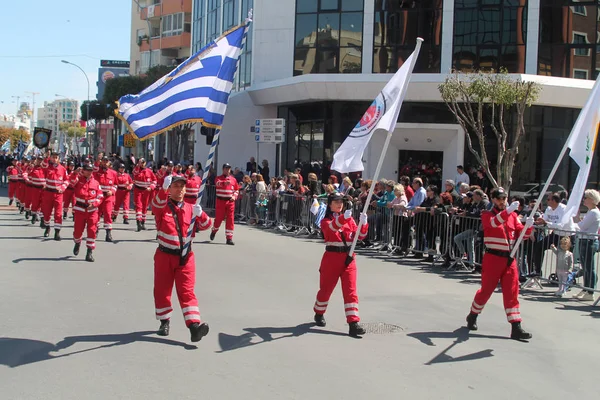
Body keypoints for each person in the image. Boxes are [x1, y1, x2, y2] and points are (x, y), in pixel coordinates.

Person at [466, 188, 535, 341]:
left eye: (504, 198)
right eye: (499, 198)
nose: (502, 201)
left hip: (509, 259)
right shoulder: (486, 214)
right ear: (493, 199)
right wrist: (508, 212)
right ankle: (473, 315)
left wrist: (529, 226)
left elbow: (523, 236)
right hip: (493, 258)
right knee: (486, 291)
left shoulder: (513, 216)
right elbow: (494, 223)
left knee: (512, 292)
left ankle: (516, 327)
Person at [151, 175, 210, 342]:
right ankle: (164, 322)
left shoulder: (191, 208)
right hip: (165, 255)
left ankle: (194, 327)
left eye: (182, 187)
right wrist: (162, 190)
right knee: (162, 290)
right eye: (176, 186)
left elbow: (206, 226)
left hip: (185, 257)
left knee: (187, 292)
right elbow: (154, 206)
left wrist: (202, 214)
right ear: (170, 189)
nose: (180, 190)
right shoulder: (163, 207)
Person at [313, 192, 369, 337]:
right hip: (331, 258)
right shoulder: (325, 221)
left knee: (350, 291)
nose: (339, 204)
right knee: (325, 290)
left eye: (341, 202)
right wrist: (345, 218)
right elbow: (331, 229)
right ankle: (319, 312)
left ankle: (353, 323)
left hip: (348, 257)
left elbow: (359, 236)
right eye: (336, 201)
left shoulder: (349, 220)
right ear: (330, 204)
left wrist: (364, 224)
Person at [71, 163, 103, 262]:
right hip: (80, 210)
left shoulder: (96, 183)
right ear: (83, 170)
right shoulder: (78, 180)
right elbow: (70, 182)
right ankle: (77, 242)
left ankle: (89, 252)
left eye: (90, 170)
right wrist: (74, 173)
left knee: (92, 231)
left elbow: (100, 196)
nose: (89, 172)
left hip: (92, 211)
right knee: (77, 231)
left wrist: (94, 204)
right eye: (87, 170)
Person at [573, 189, 600, 301]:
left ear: (592, 200)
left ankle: (590, 291)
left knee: (589, 267)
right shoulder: (590, 211)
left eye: (586, 197)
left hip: (589, 241)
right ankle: (586, 288)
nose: (584, 200)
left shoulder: (594, 212)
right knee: (585, 267)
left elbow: (582, 226)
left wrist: (575, 223)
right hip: (585, 240)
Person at [41, 152, 69, 240]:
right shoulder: (47, 167)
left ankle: (57, 232)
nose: (54, 159)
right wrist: (46, 157)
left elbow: (67, 180)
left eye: (56, 157)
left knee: (58, 214)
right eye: (53, 157)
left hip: (58, 194)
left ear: (59, 159)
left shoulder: (63, 169)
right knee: (46, 212)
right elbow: (43, 165)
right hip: (48, 193)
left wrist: (62, 188)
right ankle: (47, 227)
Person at [210, 163, 239, 245]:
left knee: (230, 219)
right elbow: (217, 183)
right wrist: (224, 183)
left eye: (229, 169)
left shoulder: (233, 179)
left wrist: (234, 196)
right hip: (220, 201)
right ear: (223, 169)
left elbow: (237, 190)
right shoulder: (218, 178)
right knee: (219, 219)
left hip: (230, 202)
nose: (227, 170)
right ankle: (214, 231)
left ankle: (229, 238)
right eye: (226, 168)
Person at [94, 156, 118, 242]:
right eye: (103, 161)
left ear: (109, 163)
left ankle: (108, 234)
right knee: (96, 214)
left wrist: (112, 191)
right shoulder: (96, 172)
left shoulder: (113, 173)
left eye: (106, 161)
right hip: (98, 197)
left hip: (108, 197)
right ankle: (95, 230)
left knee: (108, 214)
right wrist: (97, 161)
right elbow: (94, 168)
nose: (104, 163)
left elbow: (115, 185)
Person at [133, 158, 157, 232]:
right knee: (139, 206)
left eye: (143, 162)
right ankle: (138, 222)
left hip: (146, 191)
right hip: (138, 191)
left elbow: (155, 180)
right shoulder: (136, 170)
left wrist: (151, 187)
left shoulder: (149, 171)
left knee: (145, 207)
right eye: (141, 162)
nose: (142, 164)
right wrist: (138, 166)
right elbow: (135, 173)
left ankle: (143, 222)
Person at [25, 156, 46, 225]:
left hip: (43, 189)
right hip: (35, 188)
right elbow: (25, 173)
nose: (40, 161)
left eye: (41, 160)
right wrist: (27, 179)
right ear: (36, 161)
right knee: (35, 203)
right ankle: (34, 215)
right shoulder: (32, 168)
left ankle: (42, 219)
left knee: (43, 204)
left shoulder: (45, 168)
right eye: (38, 160)